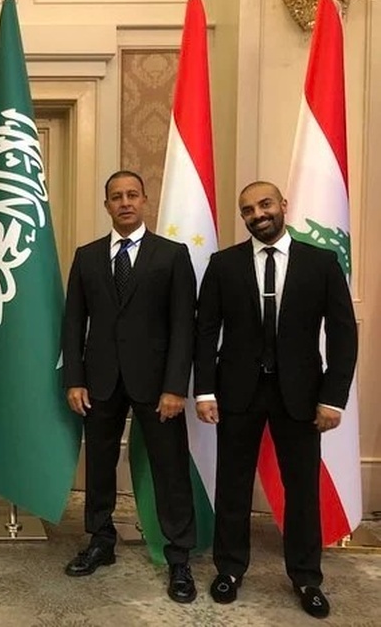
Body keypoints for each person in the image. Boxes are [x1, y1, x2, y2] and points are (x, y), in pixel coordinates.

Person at [194, 181, 357, 619]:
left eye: (265, 204)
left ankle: (306, 577)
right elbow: (206, 331)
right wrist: (205, 390)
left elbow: (344, 334)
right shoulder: (223, 264)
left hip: (301, 397)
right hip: (237, 394)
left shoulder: (321, 264)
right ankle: (229, 569)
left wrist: (333, 399)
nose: (257, 214)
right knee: (232, 485)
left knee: (302, 490)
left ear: (283, 205)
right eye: (248, 209)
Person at [61, 170, 198, 603]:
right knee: (99, 465)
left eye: (132, 195)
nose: (125, 202)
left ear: (145, 202)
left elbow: (184, 328)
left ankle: (179, 556)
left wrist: (176, 386)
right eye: (116, 197)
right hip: (99, 380)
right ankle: (101, 540)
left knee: (169, 468)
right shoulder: (86, 257)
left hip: (158, 385)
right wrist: (75, 379)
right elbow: (72, 323)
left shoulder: (172, 255)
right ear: (107, 206)